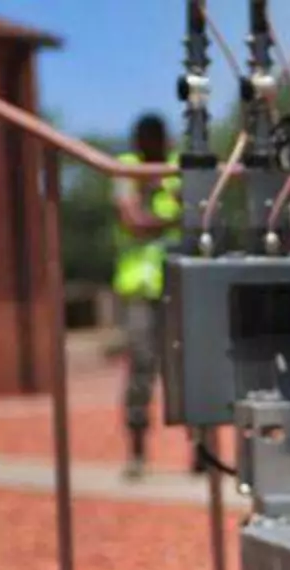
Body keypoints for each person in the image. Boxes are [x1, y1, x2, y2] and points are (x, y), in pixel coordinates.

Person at [113, 114, 183, 479]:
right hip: (139, 289)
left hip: (176, 284)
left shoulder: (177, 169)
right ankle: (137, 452)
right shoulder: (125, 169)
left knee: (185, 366)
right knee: (141, 368)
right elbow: (132, 221)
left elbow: (195, 213)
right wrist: (167, 216)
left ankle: (200, 452)